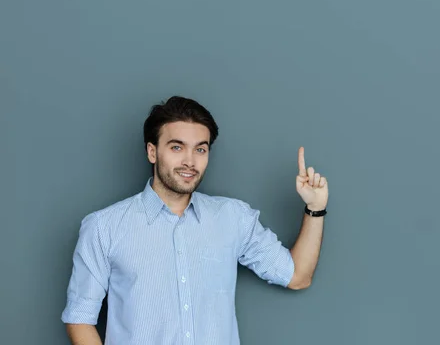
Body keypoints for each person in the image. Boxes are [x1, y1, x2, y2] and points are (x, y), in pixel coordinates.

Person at [61, 95, 328, 345]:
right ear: (152, 152)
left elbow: (297, 276)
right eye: (177, 147)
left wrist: (315, 208)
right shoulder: (104, 227)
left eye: (200, 150)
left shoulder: (233, 219)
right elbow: (79, 318)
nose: (190, 161)